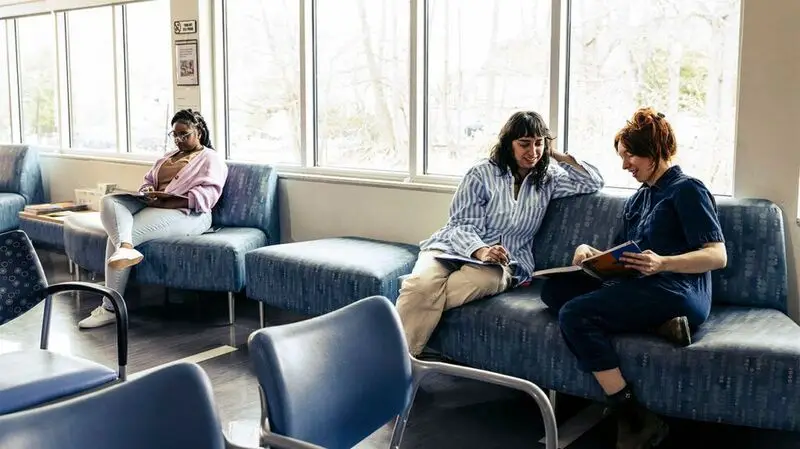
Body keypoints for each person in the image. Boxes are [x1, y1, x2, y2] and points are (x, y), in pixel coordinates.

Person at [540, 107, 727, 448]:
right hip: (642, 284)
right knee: (554, 292)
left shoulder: (687, 190)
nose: (625, 165)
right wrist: (587, 252)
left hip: (679, 289)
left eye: (630, 156)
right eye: (623, 157)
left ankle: (633, 417)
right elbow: (622, 254)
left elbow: (717, 255)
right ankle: (661, 324)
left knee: (574, 314)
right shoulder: (639, 199)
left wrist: (664, 263)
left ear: (654, 151)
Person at [396, 111, 605, 357]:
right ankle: (399, 364)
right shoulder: (482, 173)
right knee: (422, 285)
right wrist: (482, 250)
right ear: (508, 144)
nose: (533, 151)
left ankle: (400, 340)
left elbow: (593, 181)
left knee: (430, 290)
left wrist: (555, 154)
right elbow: (461, 224)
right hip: (450, 247)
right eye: (524, 144)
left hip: (503, 263)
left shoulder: (548, 179)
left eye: (539, 143)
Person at [78, 109, 228, 329]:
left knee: (118, 237)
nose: (179, 140)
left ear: (200, 132)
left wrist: (170, 200)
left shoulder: (210, 159)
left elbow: (208, 197)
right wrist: (147, 189)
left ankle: (110, 308)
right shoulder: (168, 157)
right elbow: (149, 180)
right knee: (110, 201)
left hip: (188, 214)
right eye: (175, 135)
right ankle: (126, 249)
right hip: (156, 203)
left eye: (184, 134)